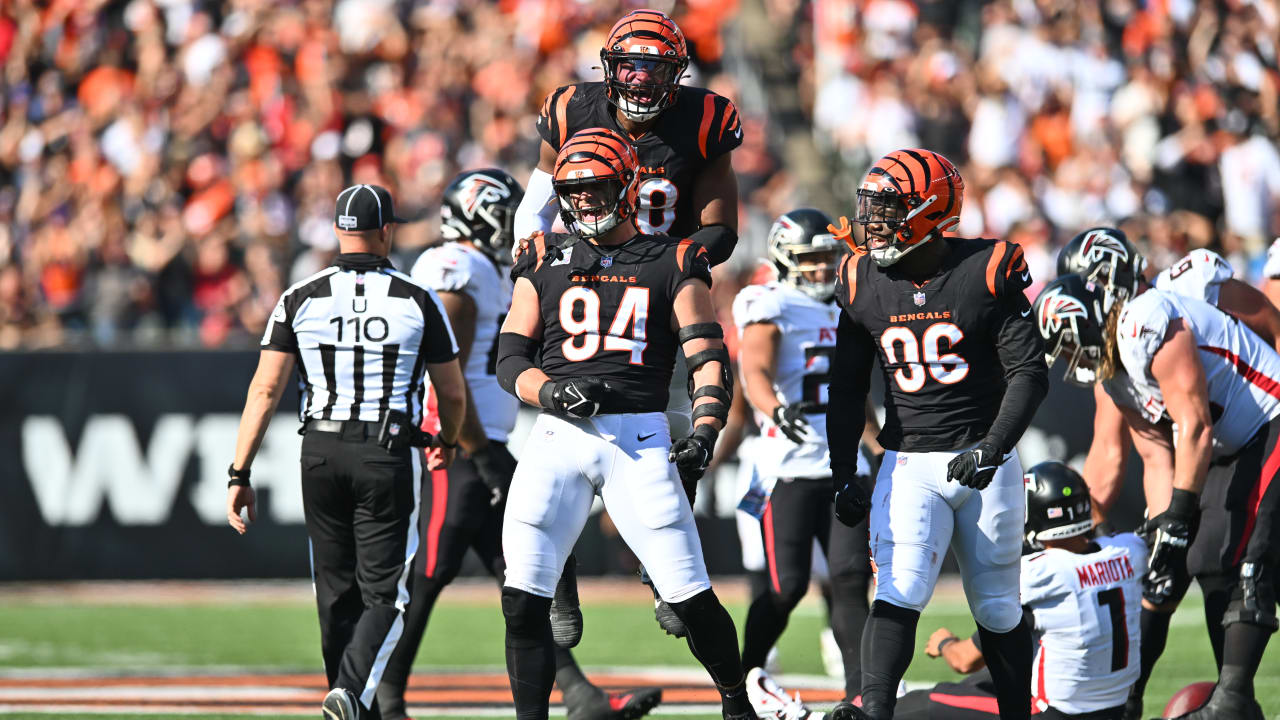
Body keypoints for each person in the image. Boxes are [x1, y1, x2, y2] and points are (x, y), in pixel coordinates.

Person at [374, 170, 660, 720]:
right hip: (454, 445)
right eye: (503, 214)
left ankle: (581, 696)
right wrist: (474, 449)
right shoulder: (458, 266)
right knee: (430, 573)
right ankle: (383, 698)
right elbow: (442, 368)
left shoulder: (481, 269)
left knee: (527, 570)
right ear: (478, 213)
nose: (513, 226)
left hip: (477, 441)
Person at [494, 127, 756, 720]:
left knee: (691, 598)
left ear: (629, 183)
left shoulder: (675, 258)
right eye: (572, 189)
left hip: (638, 437)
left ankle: (738, 707)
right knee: (521, 601)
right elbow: (510, 359)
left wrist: (707, 428)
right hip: (559, 436)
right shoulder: (542, 255)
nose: (583, 200)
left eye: (595, 186)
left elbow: (707, 355)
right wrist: (553, 391)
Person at [512, 8, 744, 640]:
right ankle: (557, 577)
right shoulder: (568, 110)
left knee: (687, 421)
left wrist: (676, 262)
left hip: (654, 284)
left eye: (655, 69)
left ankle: (666, 572)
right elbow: (536, 198)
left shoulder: (704, 120)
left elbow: (721, 223)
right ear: (607, 70)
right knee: (551, 425)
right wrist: (533, 253)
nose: (640, 82)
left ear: (678, 74)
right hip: (578, 274)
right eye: (629, 67)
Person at [226, 184, 466, 720]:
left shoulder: (299, 296)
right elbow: (451, 391)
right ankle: (351, 691)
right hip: (386, 450)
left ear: (337, 230)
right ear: (386, 232)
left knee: (334, 594)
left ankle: (350, 699)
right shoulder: (417, 298)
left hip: (319, 448)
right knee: (387, 596)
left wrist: (239, 471)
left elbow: (264, 390)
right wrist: (447, 441)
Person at [824, 148, 1049, 720]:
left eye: (888, 208)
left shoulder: (985, 268)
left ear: (930, 211)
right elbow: (847, 387)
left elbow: (1029, 372)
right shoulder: (858, 277)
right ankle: (875, 711)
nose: (873, 220)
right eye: (870, 207)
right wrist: (844, 469)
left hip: (983, 459)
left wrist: (992, 449)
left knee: (998, 607)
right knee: (898, 591)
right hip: (907, 462)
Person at [1052, 228, 1280, 717]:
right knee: (1196, 561)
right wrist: (1164, 530)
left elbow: (1194, 422)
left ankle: (1233, 700)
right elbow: (1156, 453)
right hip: (1227, 440)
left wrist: (1179, 515)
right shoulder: (1114, 373)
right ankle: (1164, 700)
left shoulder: (1149, 316)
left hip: (1267, 415)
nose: (1074, 358)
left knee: (1250, 558)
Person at [730, 208, 872, 711]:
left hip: (843, 465)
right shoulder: (769, 303)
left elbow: (857, 396)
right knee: (785, 587)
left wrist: (879, 444)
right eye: (811, 260)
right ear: (786, 260)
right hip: (786, 467)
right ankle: (742, 683)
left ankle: (861, 696)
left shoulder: (847, 307)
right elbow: (755, 370)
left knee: (851, 582)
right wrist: (774, 408)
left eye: (827, 259)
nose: (821, 269)